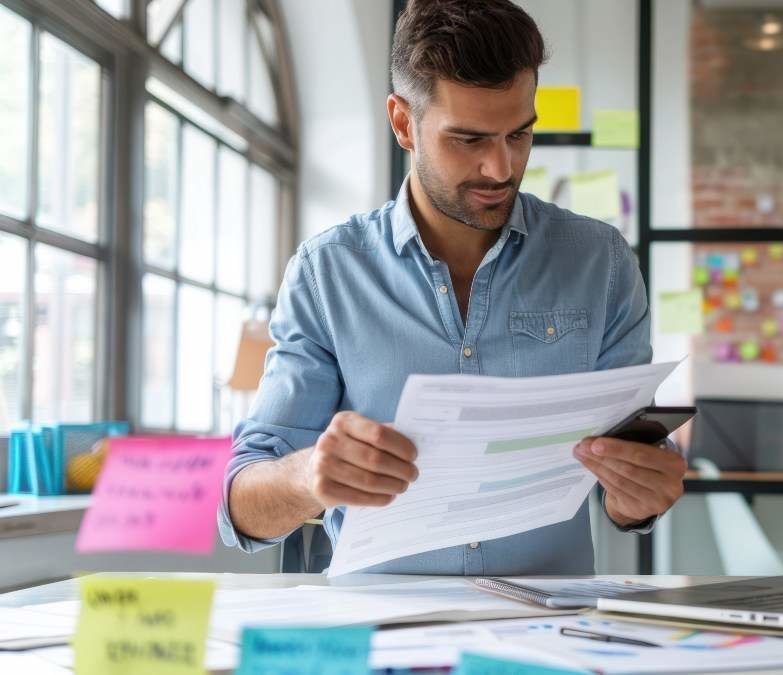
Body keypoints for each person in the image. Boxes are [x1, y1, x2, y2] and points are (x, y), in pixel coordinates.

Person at [218, 0, 686, 575]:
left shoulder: (602, 263)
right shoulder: (327, 274)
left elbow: (632, 470)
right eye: (468, 140)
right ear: (401, 122)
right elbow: (240, 510)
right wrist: (308, 474)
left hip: (546, 638)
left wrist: (639, 495)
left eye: (520, 133)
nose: (501, 167)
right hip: (381, 639)